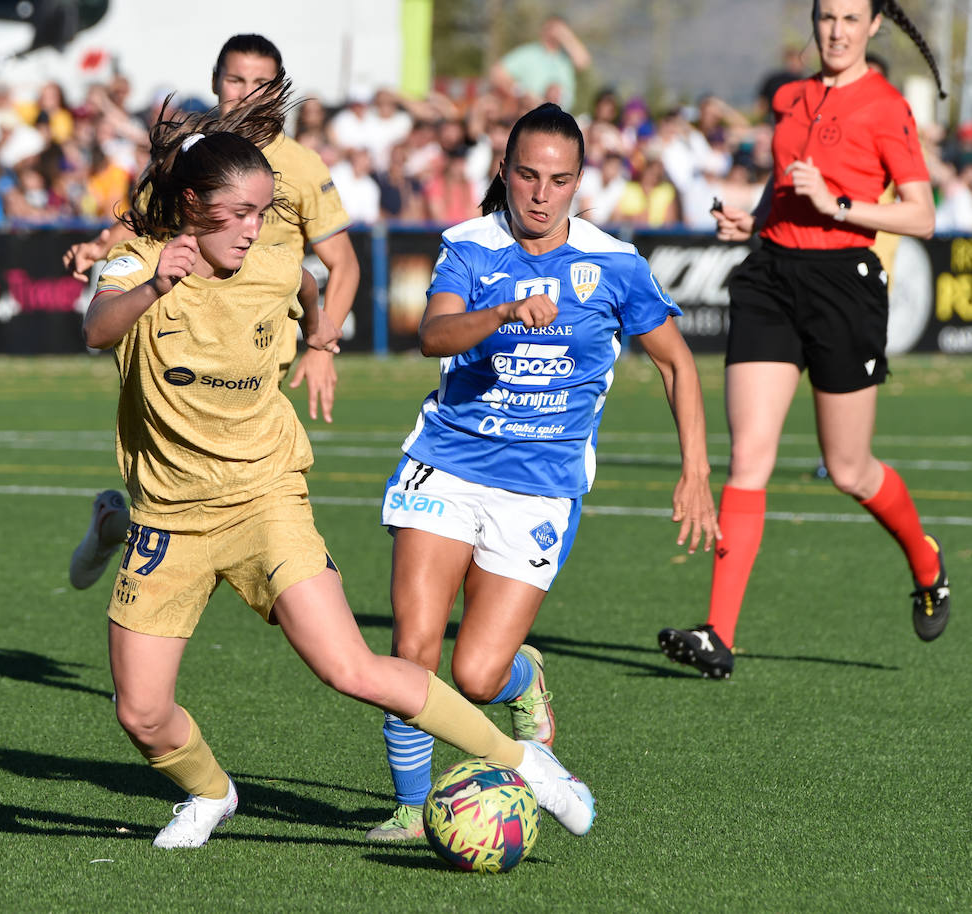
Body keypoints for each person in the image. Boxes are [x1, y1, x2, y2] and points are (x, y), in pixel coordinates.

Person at [83, 79, 595, 850]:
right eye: (242, 215)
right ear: (192, 207)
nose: (257, 231)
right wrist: (157, 284)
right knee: (141, 713)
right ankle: (211, 793)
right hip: (169, 515)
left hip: (265, 500)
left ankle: (528, 763)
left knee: (351, 667)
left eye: (264, 212)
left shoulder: (276, 264)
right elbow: (96, 328)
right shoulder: (138, 261)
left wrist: (319, 346)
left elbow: (312, 281)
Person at [362, 103, 717, 842]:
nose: (541, 193)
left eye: (559, 179)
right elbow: (432, 333)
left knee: (477, 678)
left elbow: (679, 364)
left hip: (542, 485)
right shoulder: (468, 245)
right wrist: (500, 315)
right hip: (447, 463)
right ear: (505, 171)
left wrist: (695, 472)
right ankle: (407, 808)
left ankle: (523, 678)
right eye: (527, 174)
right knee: (414, 650)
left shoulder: (615, 263)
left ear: (580, 181)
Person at [658, 0, 951, 680]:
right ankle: (717, 635)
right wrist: (754, 220)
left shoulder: (885, 106)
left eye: (851, 18)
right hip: (768, 275)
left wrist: (839, 206)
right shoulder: (792, 95)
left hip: (844, 281)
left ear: (875, 24)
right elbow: (784, 177)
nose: (837, 30)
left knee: (848, 468)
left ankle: (927, 564)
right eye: (827, 16)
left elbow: (923, 214)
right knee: (750, 458)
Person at [66, 33, 360, 590]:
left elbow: (339, 265)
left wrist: (320, 346)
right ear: (214, 82)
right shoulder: (192, 149)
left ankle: (124, 536)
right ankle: (136, 562)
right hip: (180, 331)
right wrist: (100, 245)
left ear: (277, 90)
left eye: (260, 83)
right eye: (234, 80)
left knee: (234, 505)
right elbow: (147, 214)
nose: (246, 94)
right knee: (189, 495)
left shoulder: (300, 167)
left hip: (255, 349)